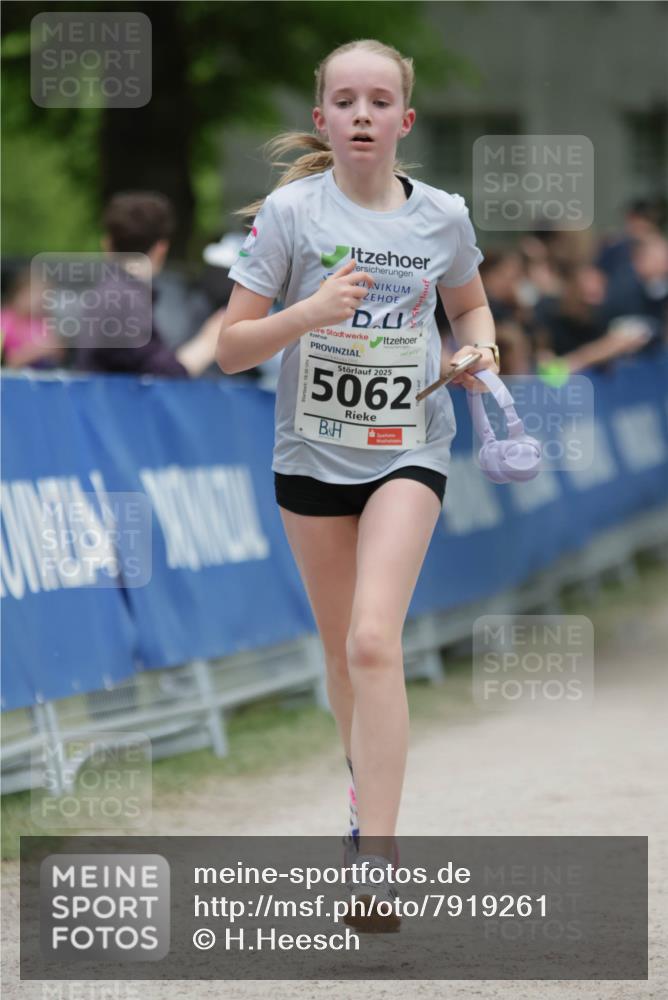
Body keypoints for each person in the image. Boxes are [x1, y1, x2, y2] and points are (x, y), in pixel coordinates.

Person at [217, 38, 499, 932]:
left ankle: (375, 867)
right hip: (310, 457)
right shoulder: (292, 217)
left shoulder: (441, 216)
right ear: (323, 120)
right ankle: (359, 802)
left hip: (410, 444)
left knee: (376, 643)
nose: (364, 114)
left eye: (381, 101)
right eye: (346, 101)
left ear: (405, 121)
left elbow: (473, 305)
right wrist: (310, 312)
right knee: (342, 655)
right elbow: (230, 349)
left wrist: (478, 350)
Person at [73, 192, 222, 378]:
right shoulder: (122, 299)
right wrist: (210, 340)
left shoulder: (113, 293)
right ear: (161, 249)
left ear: (107, 245)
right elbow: (160, 374)